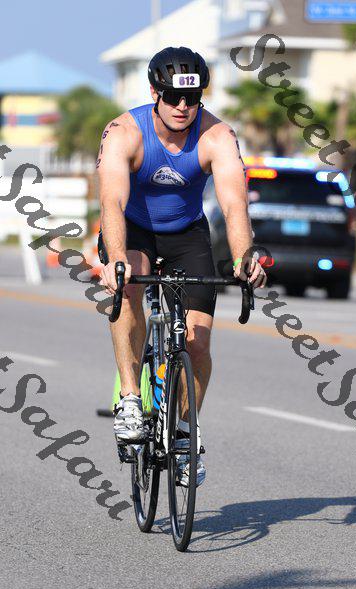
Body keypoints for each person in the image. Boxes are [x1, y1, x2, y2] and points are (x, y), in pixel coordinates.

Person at [97, 46, 267, 486]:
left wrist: (244, 257)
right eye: (173, 97)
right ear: (155, 93)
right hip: (133, 229)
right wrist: (117, 259)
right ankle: (130, 399)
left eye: (192, 98)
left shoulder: (217, 136)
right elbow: (112, 202)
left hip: (187, 233)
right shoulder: (124, 132)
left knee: (198, 344)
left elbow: (234, 205)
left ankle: (186, 434)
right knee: (128, 288)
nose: (182, 107)